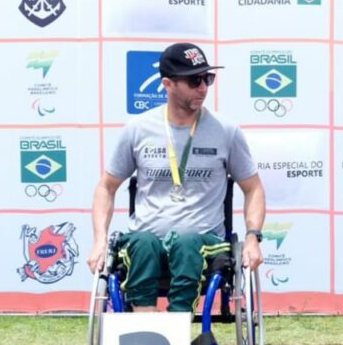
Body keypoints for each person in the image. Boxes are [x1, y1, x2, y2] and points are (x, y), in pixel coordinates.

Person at [87, 41, 265, 317]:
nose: (203, 88)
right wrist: (100, 239)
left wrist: (253, 237)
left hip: (203, 243)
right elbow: (106, 187)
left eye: (208, 78)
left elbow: (253, 188)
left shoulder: (226, 131)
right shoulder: (137, 129)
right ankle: (144, 322)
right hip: (146, 242)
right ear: (168, 84)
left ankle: (178, 322)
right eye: (195, 81)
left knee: (186, 242)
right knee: (142, 243)